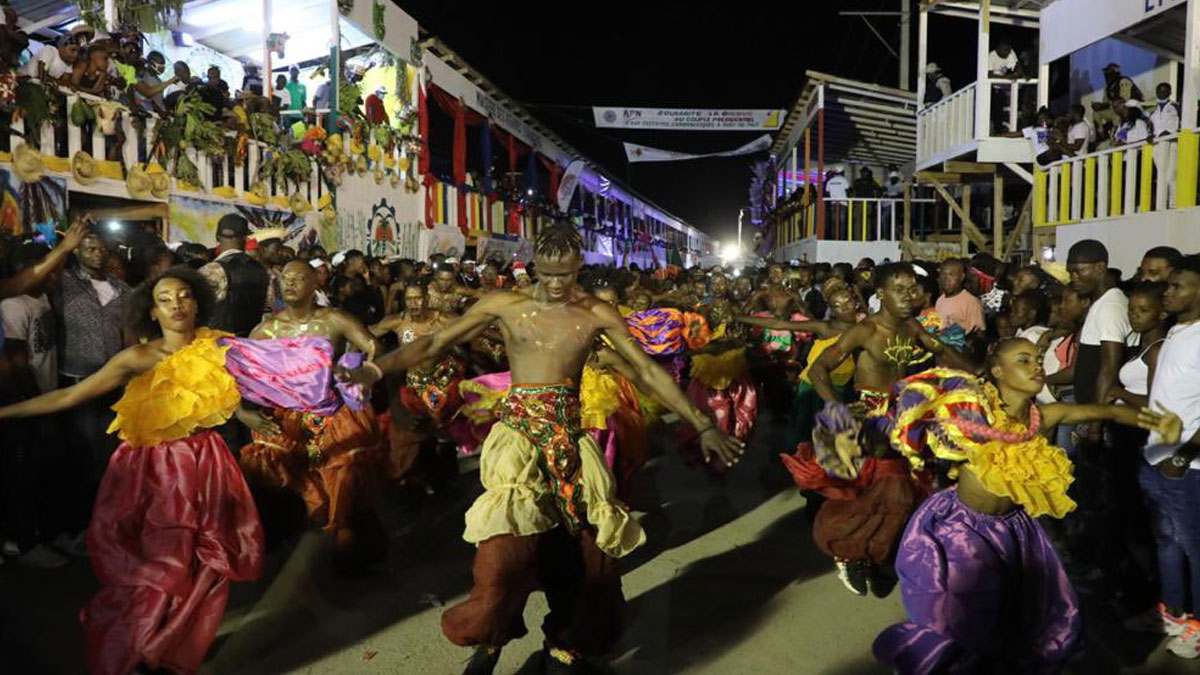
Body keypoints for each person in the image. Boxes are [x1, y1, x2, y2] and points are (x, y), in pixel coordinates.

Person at [338, 222, 743, 673]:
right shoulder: (505, 305)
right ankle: (491, 637)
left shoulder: (595, 313)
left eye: (564, 275)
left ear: (578, 267)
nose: (553, 284)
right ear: (534, 265)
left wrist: (701, 423)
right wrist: (376, 370)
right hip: (517, 442)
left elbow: (646, 372)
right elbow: (435, 341)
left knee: (588, 554)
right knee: (503, 556)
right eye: (545, 273)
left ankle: (567, 639)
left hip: (571, 440)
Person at [0, 267, 264, 675]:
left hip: (209, 464)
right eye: (165, 299)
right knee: (161, 565)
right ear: (152, 312)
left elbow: (246, 391)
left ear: (197, 303)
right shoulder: (138, 358)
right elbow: (70, 395)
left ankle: (171, 648)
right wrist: (5, 412)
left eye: (183, 295)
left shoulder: (221, 347)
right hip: (155, 472)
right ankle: (140, 652)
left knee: (206, 564)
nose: (176, 304)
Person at [873, 338, 1180, 673]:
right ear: (997, 371)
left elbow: (1106, 410)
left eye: (1038, 359)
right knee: (961, 615)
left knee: (1020, 613)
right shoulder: (974, 414)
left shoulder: (1045, 417)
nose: (1037, 366)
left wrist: (1156, 422)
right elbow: (911, 419)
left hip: (1015, 531)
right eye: (1024, 360)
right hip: (962, 529)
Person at [230, 260, 382, 567]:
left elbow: (372, 346)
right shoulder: (265, 330)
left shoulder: (334, 319)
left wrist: (356, 373)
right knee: (279, 482)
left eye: (299, 278)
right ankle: (287, 546)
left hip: (334, 415)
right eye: (286, 277)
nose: (290, 283)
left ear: (315, 284)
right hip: (284, 419)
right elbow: (238, 375)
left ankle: (346, 551)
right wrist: (241, 414)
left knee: (344, 484)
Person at [1129, 256, 1200, 659]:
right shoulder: (1176, 331)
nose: (1167, 292)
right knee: (1166, 542)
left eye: (1178, 287)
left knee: (1194, 547)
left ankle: (1197, 625)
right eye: (1168, 286)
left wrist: (1184, 455)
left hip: (1187, 467)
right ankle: (1172, 612)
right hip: (1156, 457)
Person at [199, 214, 270, 337]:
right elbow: (268, 309)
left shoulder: (212, 270)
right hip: (250, 346)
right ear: (246, 238)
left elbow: (197, 312)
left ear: (217, 237)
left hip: (218, 346)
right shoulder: (262, 270)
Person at [935, 259, 985, 334]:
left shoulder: (971, 303)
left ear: (962, 277)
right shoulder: (940, 300)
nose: (946, 279)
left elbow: (979, 335)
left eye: (951, 275)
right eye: (943, 274)